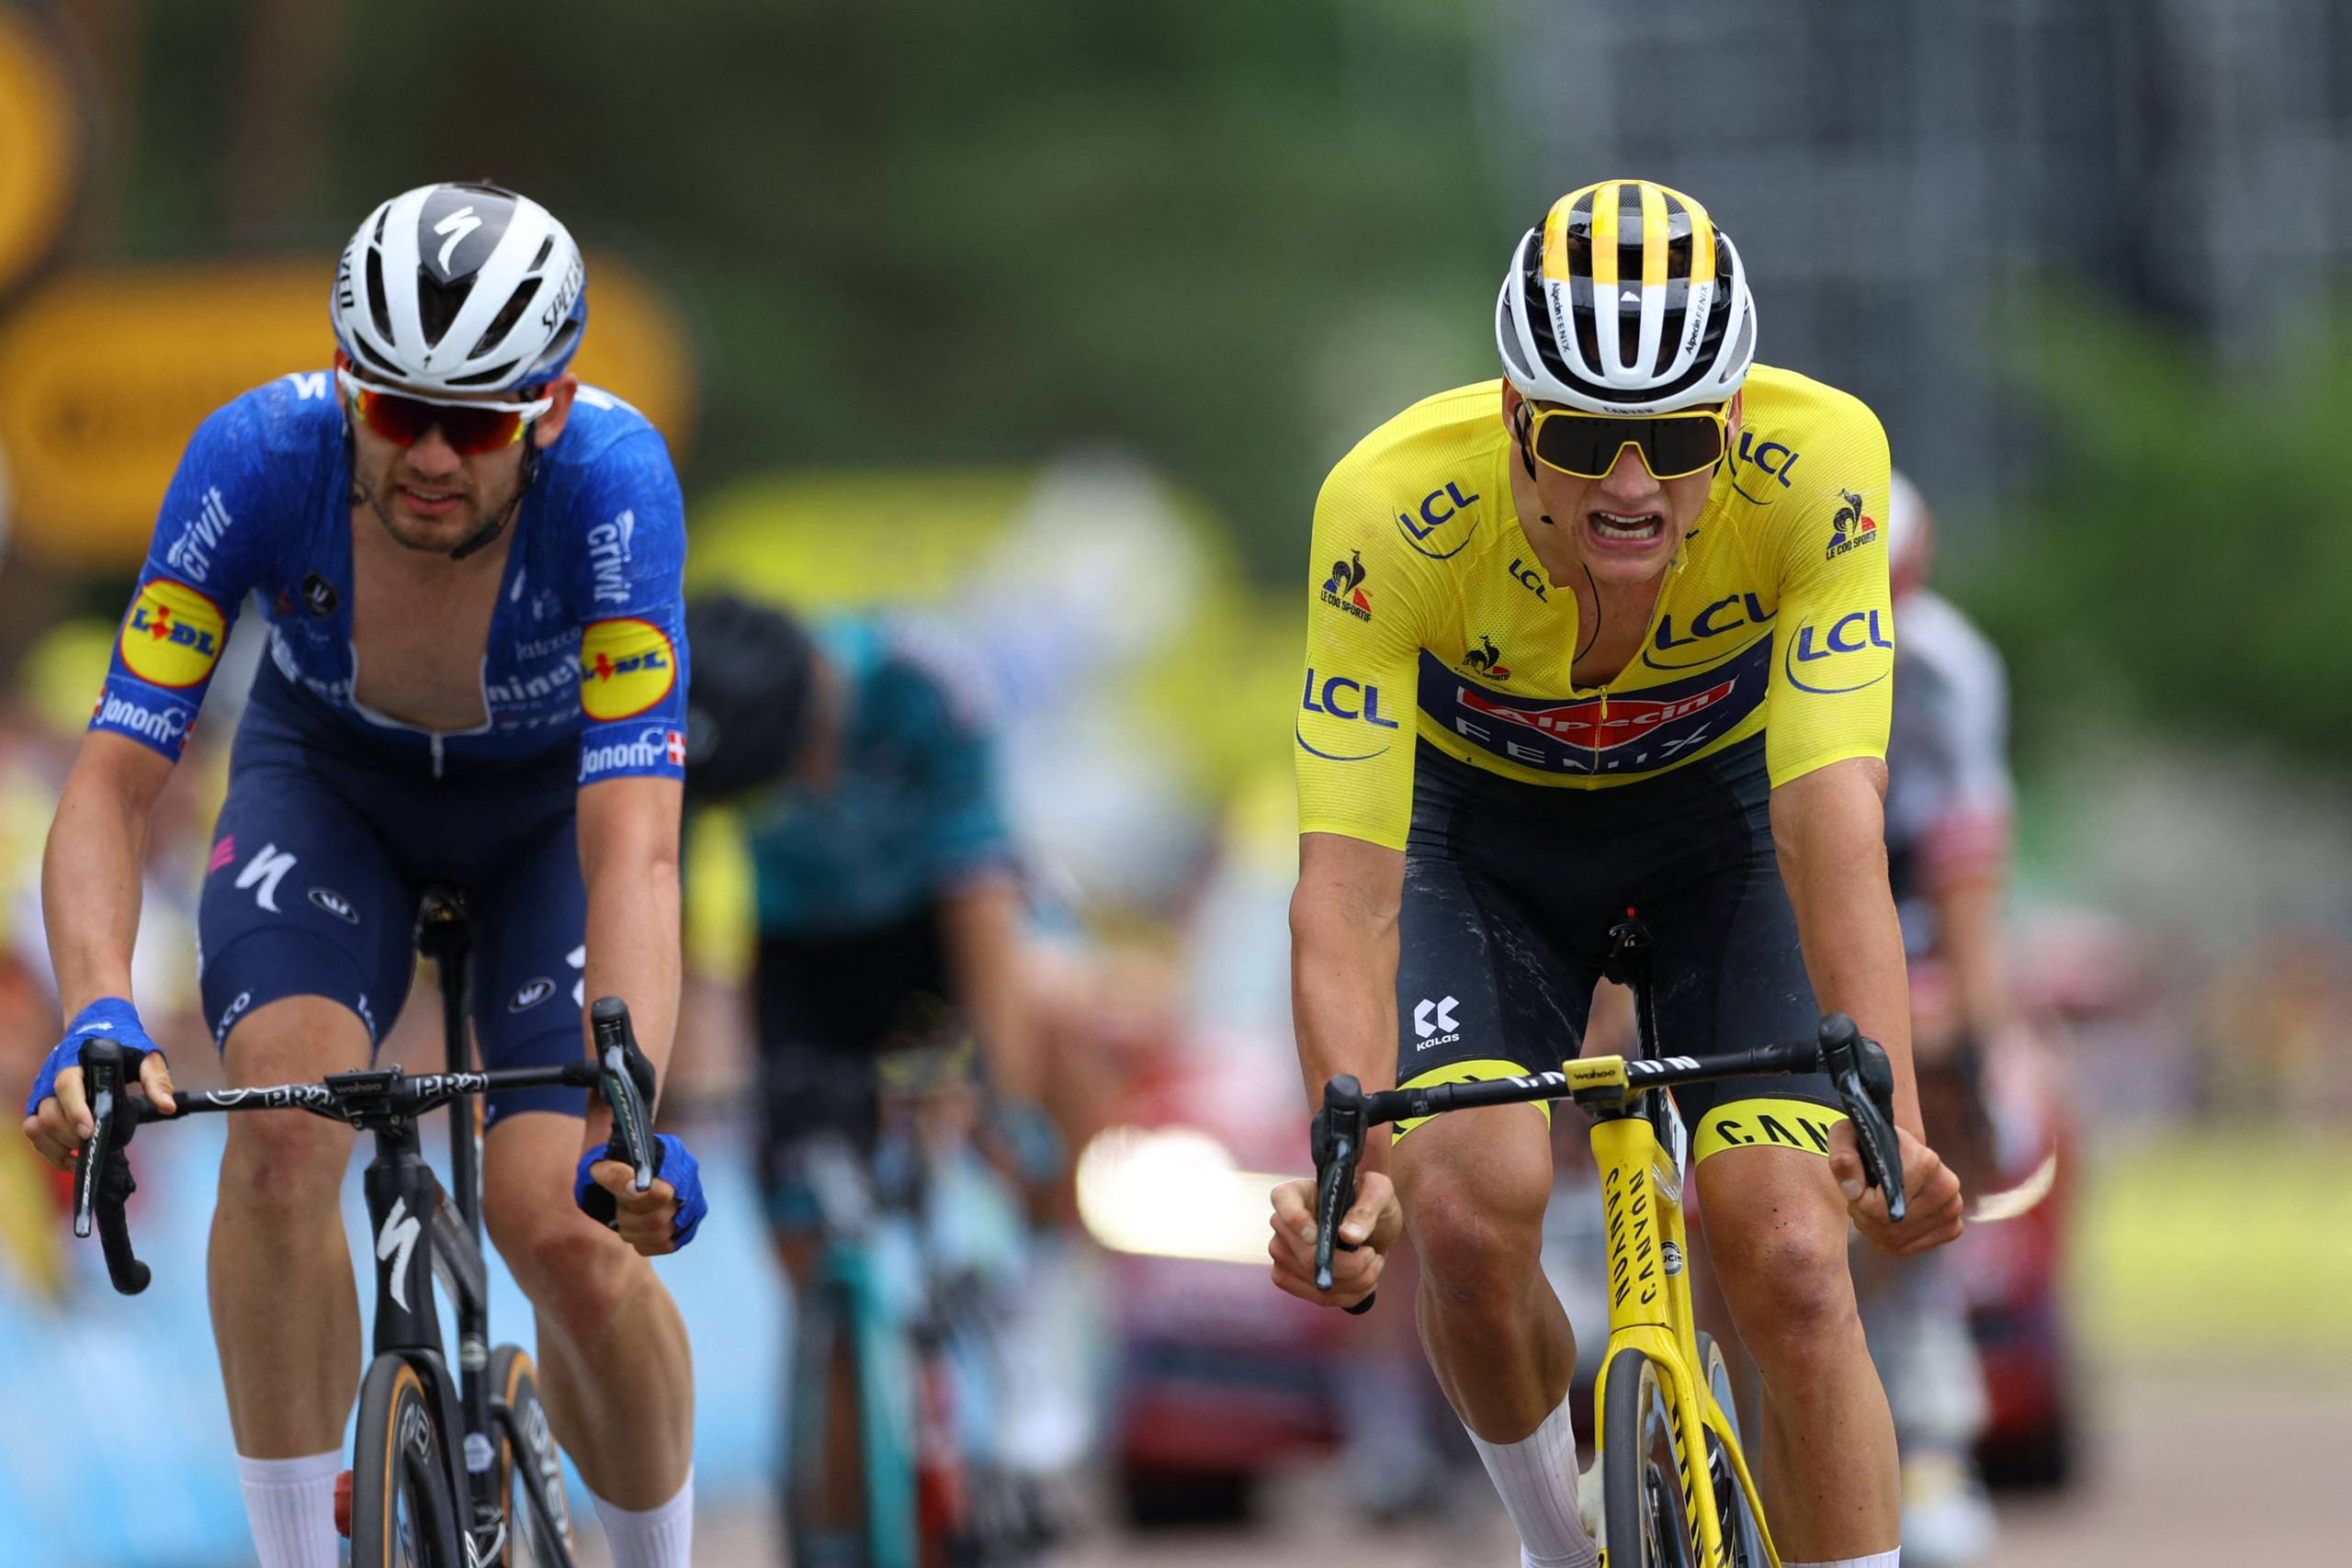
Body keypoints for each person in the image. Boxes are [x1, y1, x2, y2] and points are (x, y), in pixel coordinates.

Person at [1268, 178, 1963, 1568]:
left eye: (1680, 436)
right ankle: (1552, 1542)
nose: (1635, 483)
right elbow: (1346, 884)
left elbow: (1831, 817)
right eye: (1586, 438)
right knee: (1466, 1213)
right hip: (1485, 850)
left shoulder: (1830, 463)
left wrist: (1891, 1105)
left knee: (1790, 1257)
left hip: (1721, 837)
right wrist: (1349, 1167)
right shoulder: (1388, 505)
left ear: (1736, 422)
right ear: (1519, 419)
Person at [18, 182, 703, 1568]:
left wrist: (627, 1106)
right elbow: (109, 777)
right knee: (279, 1134)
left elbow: (634, 840)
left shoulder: (619, 486)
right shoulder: (255, 456)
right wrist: (96, 1007)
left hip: (540, 824)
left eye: (478, 422)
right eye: (396, 412)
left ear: (551, 411)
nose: (434, 455)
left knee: (560, 1221)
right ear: (346, 389)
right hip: (329, 789)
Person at [682, 593, 1071, 1544]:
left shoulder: (928, 689)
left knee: (1042, 1045)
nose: (811, 788)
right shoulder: (695, 720)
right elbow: (671, 912)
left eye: (804, 763)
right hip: (801, 952)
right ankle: (844, 1400)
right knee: (797, 1203)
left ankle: (1021, 1319)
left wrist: (1008, 1101)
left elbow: (984, 916)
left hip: (932, 923)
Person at [1865, 469, 2021, 1565]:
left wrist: (1976, 1038)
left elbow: (1967, 872)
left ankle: (1924, 1412)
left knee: (1944, 1094)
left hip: (1901, 898)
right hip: (1754, 886)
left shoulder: (1947, 670)